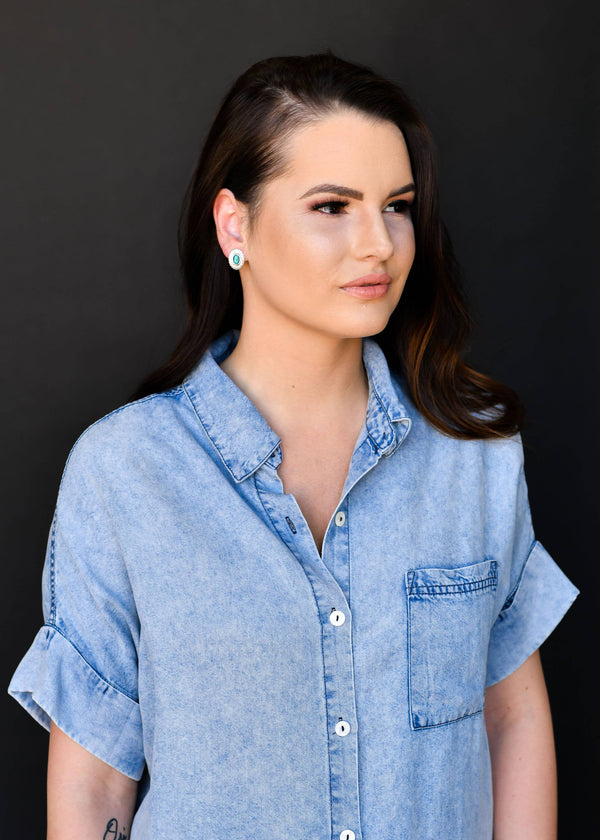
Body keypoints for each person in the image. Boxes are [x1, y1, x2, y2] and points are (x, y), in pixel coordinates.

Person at [9, 51, 578, 840]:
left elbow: (511, 718)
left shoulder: (473, 449)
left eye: (397, 206)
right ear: (234, 225)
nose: (379, 244)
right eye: (333, 206)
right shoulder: (125, 473)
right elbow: (93, 783)